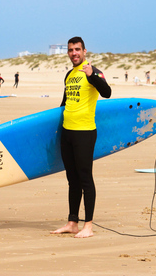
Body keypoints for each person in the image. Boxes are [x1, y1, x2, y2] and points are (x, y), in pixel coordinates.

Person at [51, 37, 111, 238]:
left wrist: (92, 75)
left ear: (85, 51)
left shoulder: (94, 71)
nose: (74, 53)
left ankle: (89, 226)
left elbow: (107, 92)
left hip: (85, 132)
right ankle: (72, 222)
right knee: (72, 179)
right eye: (70, 50)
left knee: (85, 178)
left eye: (77, 49)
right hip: (67, 132)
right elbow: (64, 102)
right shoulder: (69, 74)